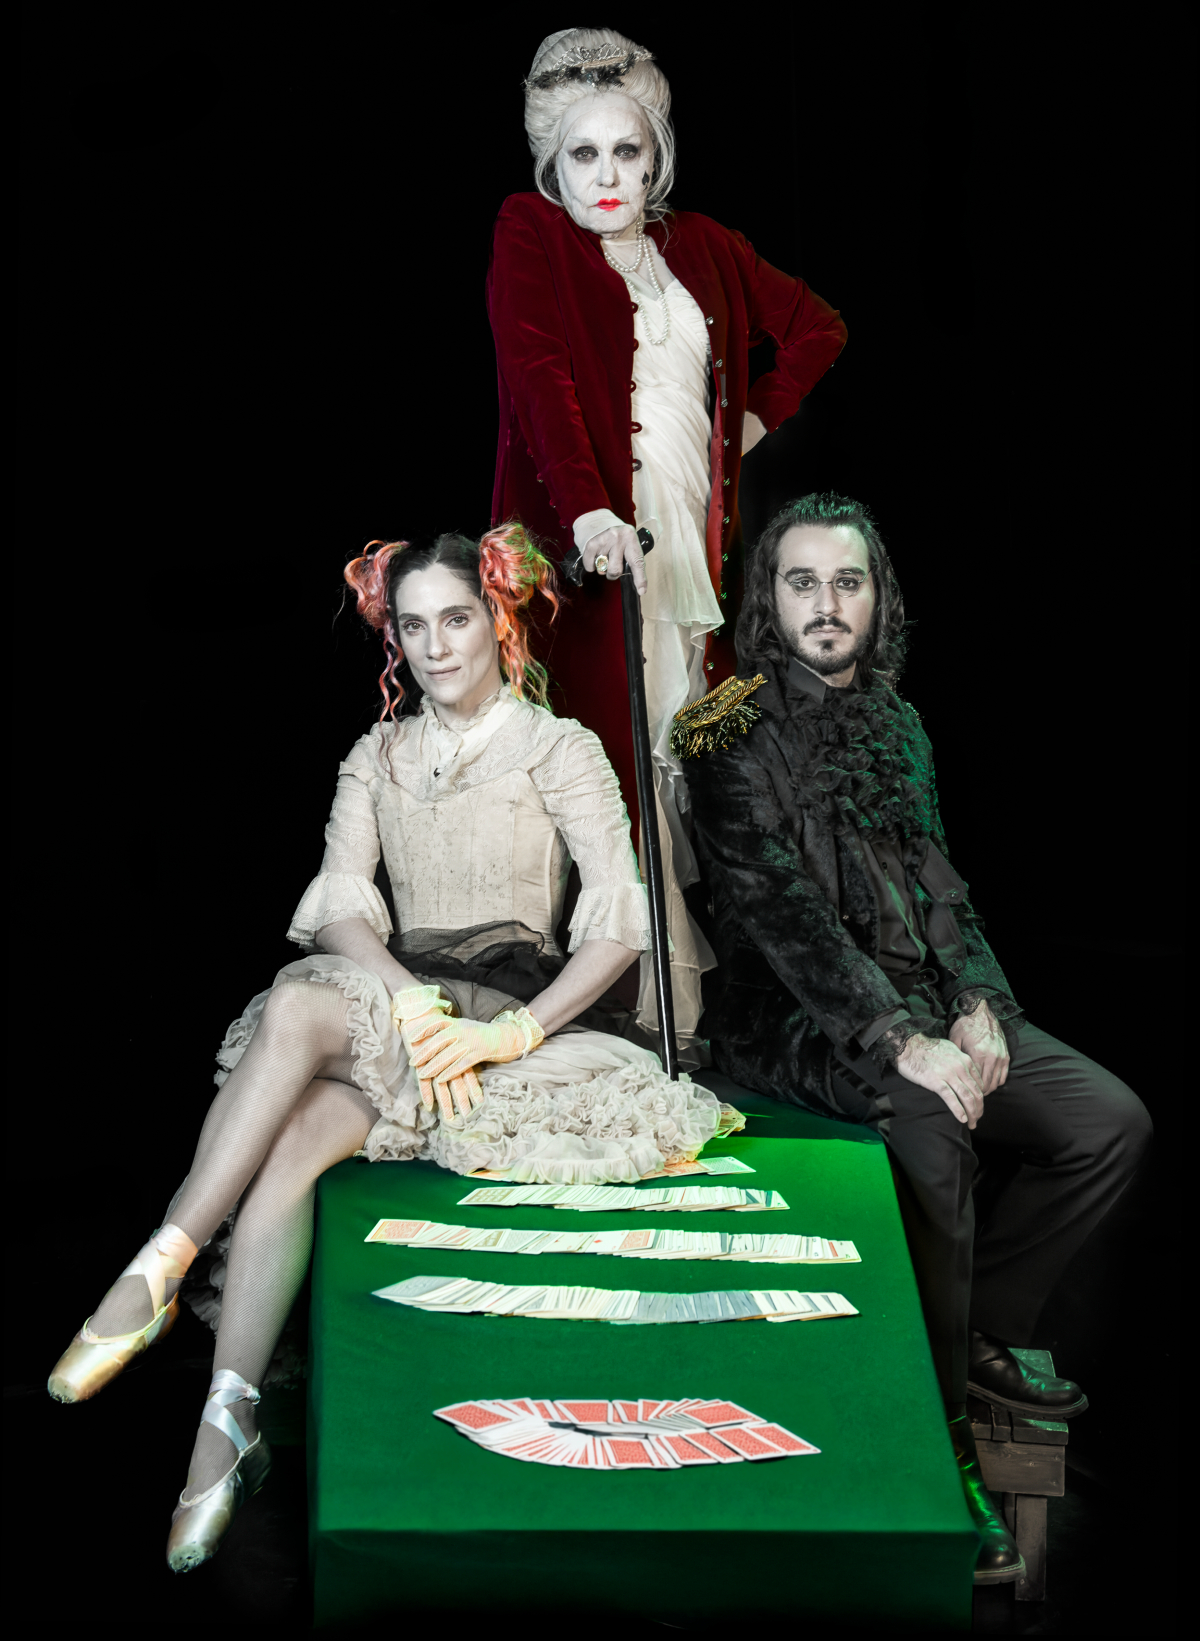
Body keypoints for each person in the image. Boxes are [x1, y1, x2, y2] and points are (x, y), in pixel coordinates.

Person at [47, 524, 733, 1572]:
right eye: (413, 627)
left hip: (512, 1029)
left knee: (295, 1023)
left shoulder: (558, 747)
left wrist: (508, 1030)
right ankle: (225, 1423)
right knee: (296, 1086)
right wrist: (410, 1003)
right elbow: (337, 910)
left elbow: (615, 925)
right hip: (397, 1015)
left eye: (455, 619)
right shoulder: (376, 755)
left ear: (497, 620)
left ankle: (158, 1269)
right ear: (395, 639)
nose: (436, 646)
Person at [674, 493, 1152, 1583]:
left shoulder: (900, 722)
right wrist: (904, 1040)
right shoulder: (723, 731)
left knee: (1108, 1121)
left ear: (876, 598)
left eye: (846, 582)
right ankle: (942, 1451)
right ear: (768, 600)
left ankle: (979, 1329)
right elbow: (782, 919)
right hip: (795, 1019)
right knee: (936, 1128)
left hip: (923, 1002)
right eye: (802, 582)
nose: (825, 604)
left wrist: (978, 1002)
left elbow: (943, 887)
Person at [487, 27, 847, 1051]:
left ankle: (681, 1028)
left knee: (684, 767)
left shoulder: (706, 246)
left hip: (685, 559)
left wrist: (755, 419)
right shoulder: (531, 233)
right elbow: (542, 379)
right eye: (583, 155)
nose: (607, 177)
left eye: (627, 152)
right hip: (584, 561)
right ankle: (622, 1021)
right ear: (552, 164)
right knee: (605, 776)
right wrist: (588, 511)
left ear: (658, 158)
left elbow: (817, 327)